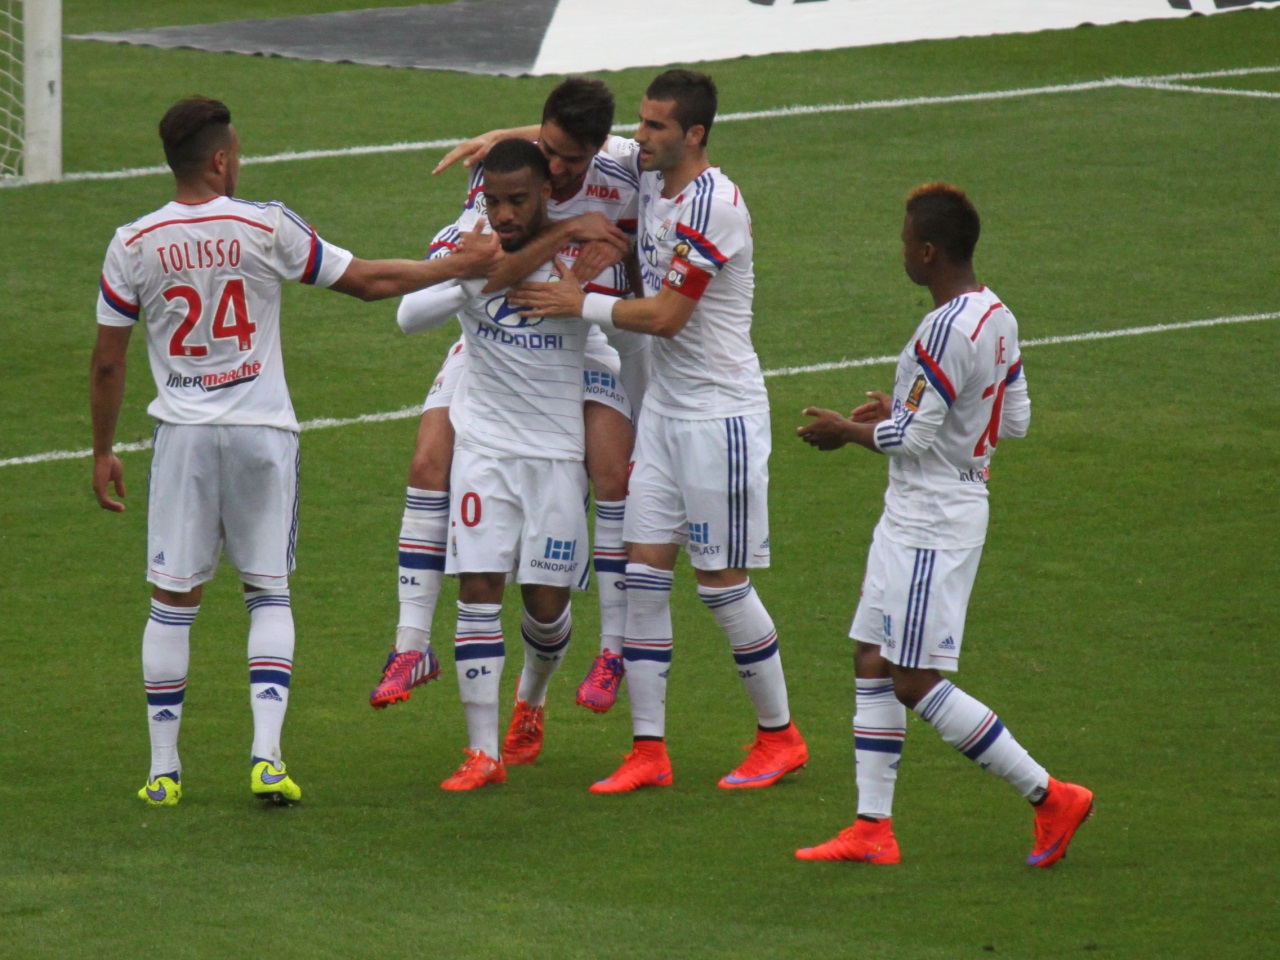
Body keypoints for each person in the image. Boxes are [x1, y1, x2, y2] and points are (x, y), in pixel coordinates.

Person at [91, 95, 502, 808]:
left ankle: (164, 772)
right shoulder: (265, 226)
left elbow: (107, 361)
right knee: (267, 592)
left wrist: (103, 450)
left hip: (183, 438)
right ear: (221, 160)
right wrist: (457, 267)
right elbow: (370, 283)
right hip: (261, 434)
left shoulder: (132, 242)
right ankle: (267, 758)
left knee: (172, 601)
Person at [510, 69, 807, 794]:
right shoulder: (649, 175)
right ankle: (649, 750)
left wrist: (581, 303)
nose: (639, 138)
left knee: (720, 585)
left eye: (654, 127)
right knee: (642, 576)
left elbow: (669, 316)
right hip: (670, 413)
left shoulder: (716, 206)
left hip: (720, 416)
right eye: (639, 124)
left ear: (693, 136)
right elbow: (567, 143)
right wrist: (499, 137)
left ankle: (781, 736)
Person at [792, 182, 1092, 866]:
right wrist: (903, 408)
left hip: (933, 517)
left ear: (928, 253)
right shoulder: (997, 316)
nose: (900, 250)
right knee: (871, 655)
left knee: (911, 677)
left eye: (905, 242)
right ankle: (872, 828)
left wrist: (847, 431)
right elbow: (1013, 421)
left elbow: (914, 441)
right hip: (925, 508)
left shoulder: (944, 328)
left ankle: (1051, 797)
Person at [369, 78, 645, 741]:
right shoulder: (504, 185)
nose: (555, 167)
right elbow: (482, 269)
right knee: (429, 457)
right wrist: (514, 149)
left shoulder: (627, 172)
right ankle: (411, 643)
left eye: (567, 161)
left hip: (581, 338)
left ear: (598, 151)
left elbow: (660, 155)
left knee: (612, 475)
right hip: (494, 335)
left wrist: (623, 259)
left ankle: (613, 650)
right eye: (545, 149)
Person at [392, 138, 595, 790]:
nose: (504, 214)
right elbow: (406, 316)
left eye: (518, 200)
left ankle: (531, 701)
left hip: (558, 452)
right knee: (478, 587)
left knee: (544, 607)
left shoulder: (585, 247)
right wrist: (465, 273)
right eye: (493, 201)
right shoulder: (466, 236)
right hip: (483, 446)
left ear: (547, 193)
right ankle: (482, 753)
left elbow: (624, 334)